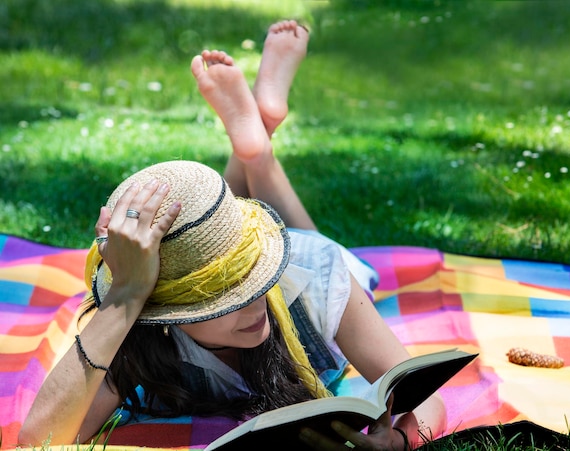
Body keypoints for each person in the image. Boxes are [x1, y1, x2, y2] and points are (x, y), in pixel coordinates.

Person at [18, 20, 446, 450]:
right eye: (224, 297)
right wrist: (125, 296)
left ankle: (257, 153)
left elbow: (429, 403)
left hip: (308, 263)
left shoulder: (315, 278)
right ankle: (255, 145)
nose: (253, 302)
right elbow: (41, 440)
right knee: (200, 240)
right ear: (162, 308)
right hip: (199, 280)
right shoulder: (140, 328)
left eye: (253, 276)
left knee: (312, 244)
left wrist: (399, 444)